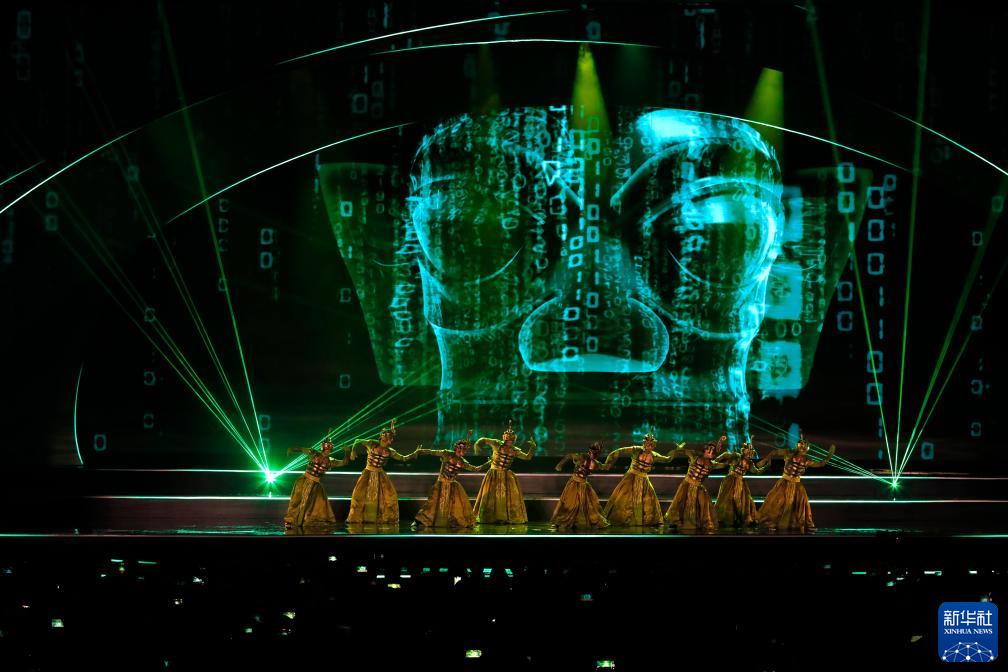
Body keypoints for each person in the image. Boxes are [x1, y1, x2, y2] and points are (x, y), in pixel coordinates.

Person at [599, 428, 683, 527]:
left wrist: (676, 451)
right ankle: (623, 518)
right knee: (624, 499)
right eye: (646, 444)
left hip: (643, 479)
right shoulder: (636, 450)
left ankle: (643, 520)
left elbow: (667, 459)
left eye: (650, 445)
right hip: (631, 477)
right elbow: (619, 451)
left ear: (653, 446)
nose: (648, 447)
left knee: (647, 500)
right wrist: (607, 463)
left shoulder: (654, 455)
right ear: (643, 443)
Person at [756, 432, 836, 533]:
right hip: (784, 482)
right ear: (798, 445)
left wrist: (830, 454)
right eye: (802, 443)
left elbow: (821, 464)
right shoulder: (789, 453)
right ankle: (770, 522)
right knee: (776, 502)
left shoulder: (807, 460)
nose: (803, 446)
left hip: (797, 484)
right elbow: (774, 452)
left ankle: (803, 524)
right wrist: (765, 460)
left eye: (805, 445)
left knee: (800, 504)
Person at [408, 430, 486, 529]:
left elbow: (475, 469)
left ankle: (457, 521)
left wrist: (489, 463)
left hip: (452, 485)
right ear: (456, 448)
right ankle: (418, 521)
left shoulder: (462, 461)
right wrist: (421, 451)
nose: (462, 451)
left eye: (464, 449)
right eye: (460, 448)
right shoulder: (447, 454)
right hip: (441, 483)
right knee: (432, 503)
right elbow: (432, 452)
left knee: (455, 505)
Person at [345, 419, 415, 525]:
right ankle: (359, 517)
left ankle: (382, 517)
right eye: (388, 439)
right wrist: (353, 451)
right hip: (368, 472)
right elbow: (357, 440)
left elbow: (403, 458)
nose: (390, 441)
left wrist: (414, 454)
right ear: (382, 437)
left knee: (388, 496)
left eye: (391, 440)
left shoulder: (390, 451)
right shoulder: (371, 444)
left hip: (380, 474)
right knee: (359, 495)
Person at [471, 420, 537, 524]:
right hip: (493, 473)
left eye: (511, 439)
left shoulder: (515, 450)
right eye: (507, 439)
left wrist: (533, 448)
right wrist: (477, 445)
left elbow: (527, 457)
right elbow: (483, 439)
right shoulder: (496, 444)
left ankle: (505, 517)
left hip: (506, 475)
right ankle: (489, 517)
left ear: (514, 440)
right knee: (490, 496)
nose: (509, 441)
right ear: (504, 438)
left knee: (507, 497)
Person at [664, 435, 728, 532]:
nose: (711, 452)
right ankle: (676, 521)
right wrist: (679, 449)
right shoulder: (695, 457)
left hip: (698, 486)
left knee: (703, 503)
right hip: (687, 483)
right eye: (709, 449)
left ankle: (703, 522)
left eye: (713, 451)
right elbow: (685, 452)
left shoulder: (712, 465)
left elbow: (723, 465)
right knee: (680, 501)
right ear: (705, 449)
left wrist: (730, 461)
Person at [283, 436, 346, 529]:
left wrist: (347, 452)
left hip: (316, 484)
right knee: (296, 500)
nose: (327, 451)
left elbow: (344, 462)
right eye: (326, 449)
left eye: (329, 450)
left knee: (313, 504)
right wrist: (292, 449)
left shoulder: (330, 461)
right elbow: (301, 449)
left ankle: (306, 520)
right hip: (304, 480)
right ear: (323, 448)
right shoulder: (313, 453)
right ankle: (290, 520)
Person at [550, 441, 609, 530]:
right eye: (593, 452)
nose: (594, 454)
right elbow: (569, 456)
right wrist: (560, 465)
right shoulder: (581, 456)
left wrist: (610, 459)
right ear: (590, 451)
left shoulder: (596, 463)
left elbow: (605, 467)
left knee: (586, 506)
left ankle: (577, 522)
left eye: (596, 453)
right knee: (570, 503)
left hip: (584, 485)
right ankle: (562, 521)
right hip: (574, 483)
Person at [712, 437, 767, 528]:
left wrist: (766, 466)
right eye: (748, 452)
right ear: (744, 451)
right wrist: (715, 461)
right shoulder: (737, 456)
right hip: (731, 480)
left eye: (751, 453)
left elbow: (756, 471)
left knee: (743, 500)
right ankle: (727, 519)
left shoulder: (750, 463)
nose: (749, 454)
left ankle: (741, 518)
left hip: (741, 482)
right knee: (728, 498)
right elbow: (726, 455)